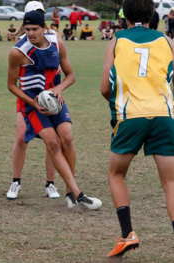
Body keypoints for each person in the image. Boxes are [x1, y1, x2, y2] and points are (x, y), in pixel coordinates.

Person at [100, 0, 174, 258]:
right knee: (171, 182)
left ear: (124, 16)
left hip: (130, 116)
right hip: (164, 116)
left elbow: (105, 88)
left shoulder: (116, 41)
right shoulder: (167, 41)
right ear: (153, 13)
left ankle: (127, 233)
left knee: (116, 174)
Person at [8, 10, 102, 210]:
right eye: (27, 29)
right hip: (33, 106)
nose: (31, 33)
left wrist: (57, 89)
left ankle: (69, 194)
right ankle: (78, 194)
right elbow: (11, 85)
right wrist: (32, 102)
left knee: (67, 138)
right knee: (52, 142)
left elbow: (71, 75)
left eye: (35, 29)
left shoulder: (56, 43)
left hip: (55, 101)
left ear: (44, 28)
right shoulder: (18, 51)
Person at [7, 1, 61, 200]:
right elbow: (13, 80)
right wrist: (32, 101)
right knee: (21, 138)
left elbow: (61, 64)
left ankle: (50, 184)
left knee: (52, 141)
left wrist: (55, 90)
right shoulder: (22, 44)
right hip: (28, 99)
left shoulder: (54, 38)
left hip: (50, 98)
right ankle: (16, 181)